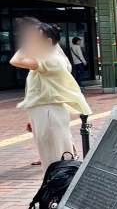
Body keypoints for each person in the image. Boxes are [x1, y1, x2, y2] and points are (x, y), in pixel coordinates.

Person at [11, 18, 91, 171]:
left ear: (47, 42)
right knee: (52, 158)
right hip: (44, 112)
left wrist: (29, 43)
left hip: (48, 112)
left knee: (56, 159)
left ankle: (60, 191)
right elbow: (38, 89)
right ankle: (56, 190)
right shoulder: (48, 59)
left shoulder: (51, 60)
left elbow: (16, 60)